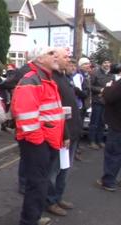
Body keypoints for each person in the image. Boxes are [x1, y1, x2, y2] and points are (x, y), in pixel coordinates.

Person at [11, 46, 65, 225]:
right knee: (37, 185)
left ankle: (33, 218)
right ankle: (29, 221)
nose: (56, 55)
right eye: (51, 53)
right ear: (39, 59)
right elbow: (25, 117)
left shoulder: (45, 79)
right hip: (37, 143)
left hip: (46, 141)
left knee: (39, 184)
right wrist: (40, 142)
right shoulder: (32, 80)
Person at [46, 48, 81, 216]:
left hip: (72, 132)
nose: (69, 60)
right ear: (55, 58)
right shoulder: (52, 79)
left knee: (65, 169)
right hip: (61, 133)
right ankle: (50, 201)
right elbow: (57, 110)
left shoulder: (64, 77)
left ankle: (58, 197)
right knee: (54, 170)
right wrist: (65, 133)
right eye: (65, 57)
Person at [96, 63, 121, 192]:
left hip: (117, 124)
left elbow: (110, 97)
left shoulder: (118, 84)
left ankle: (109, 181)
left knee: (113, 153)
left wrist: (105, 90)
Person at [88, 58, 113, 149]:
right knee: (94, 122)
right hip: (97, 101)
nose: (107, 64)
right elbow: (90, 86)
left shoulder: (111, 75)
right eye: (105, 62)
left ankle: (100, 140)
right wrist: (100, 89)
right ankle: (92, 141)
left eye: (108, 62)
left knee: (102, 122)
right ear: (102, 64)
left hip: (106, 102)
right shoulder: (95, 73)